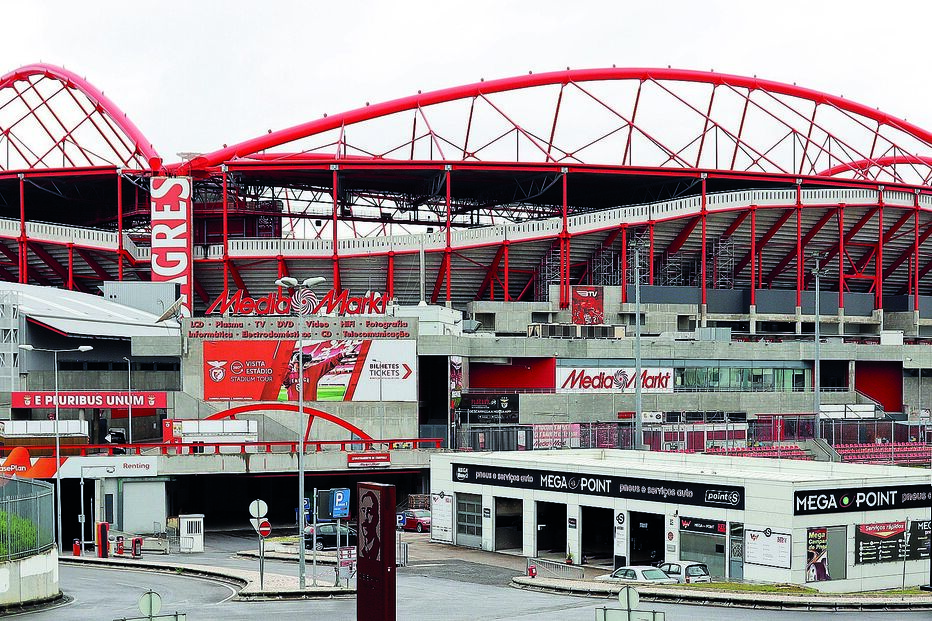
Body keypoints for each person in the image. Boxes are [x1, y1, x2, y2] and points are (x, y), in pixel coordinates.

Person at [359, 489, 381, 561]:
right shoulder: (362, 550)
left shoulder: (379, 548)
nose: (365, 518)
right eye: (363, 510)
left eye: (369, 511)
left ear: (376, 517)